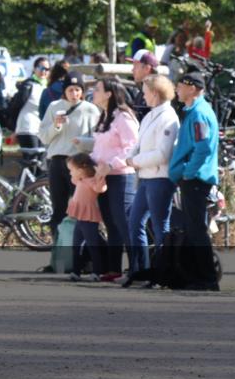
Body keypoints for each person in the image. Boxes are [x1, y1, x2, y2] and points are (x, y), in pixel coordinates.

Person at [37, 71, 101, 268]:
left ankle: (83, 258)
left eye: (78, 89)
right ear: (64, 91)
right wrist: (55, 126)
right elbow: (43, 137)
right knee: (58, 210)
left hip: (80, 164)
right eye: (70, 89)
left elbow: (98, 140)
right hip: (57, 161)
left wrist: (82, 143)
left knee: (82, 210)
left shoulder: (91, 110)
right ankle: (58, 258)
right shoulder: (54, 107)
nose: (74, 93)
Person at [168, 71, 221, 291]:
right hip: (194, 178)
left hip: (196, 180)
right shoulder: (195, 111)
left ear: (192, 88)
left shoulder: (199, 114)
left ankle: (208, 279)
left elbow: (203, 146)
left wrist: (189, 172)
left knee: (197, 230)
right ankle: (195, 276)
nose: (176, 90)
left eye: (179, 86)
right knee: (193, 229)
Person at [125, 75, 180, 283]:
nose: (143, 96)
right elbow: (139, 144)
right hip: (147, 177)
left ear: (155, 94)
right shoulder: (149, 116)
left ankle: (162, 272)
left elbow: (163, 153)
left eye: (146, 92)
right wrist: (130, 157)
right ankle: (140, 270)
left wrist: (135, 161)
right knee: (135, 222)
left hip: (160, 178)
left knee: (159, 226)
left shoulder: (168, 117)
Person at [89, 78, 140, 282]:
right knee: (111, 224)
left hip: (122, 177)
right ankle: (114, 269)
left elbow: (132, 147)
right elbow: (100, 147)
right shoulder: (104, 116)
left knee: (124, 223)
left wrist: (112, 164)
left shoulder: (123, 117)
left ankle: (137, 268)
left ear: (109, 94)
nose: (93, 91)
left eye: (97, 89)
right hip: (104, 177)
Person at [66, 153, 108, 282]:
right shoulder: (79, 180)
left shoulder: (91, 181)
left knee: (92, 245)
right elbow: (74, 178)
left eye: (71, 170)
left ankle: (97, 271)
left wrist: (100, 174)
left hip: (89, 219)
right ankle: (76, 271)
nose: (70, 173)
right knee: (76, 245)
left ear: (81, 170)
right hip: (80, 219)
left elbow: (101, 188)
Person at [14, 57, 50, 150]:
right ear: (34, 69)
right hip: (27, 128)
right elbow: (16, 106)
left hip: (41, 130)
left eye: (47, 69)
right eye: (41, 68)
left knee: (41, 161)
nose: (44, 71)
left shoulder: (47, 87)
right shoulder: (28, 85)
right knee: (33, 160)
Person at [129, 49, 159, 120]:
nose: (132, 70)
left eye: (135, 66)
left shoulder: (156, 94)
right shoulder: (142, 92)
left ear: (147, 68)